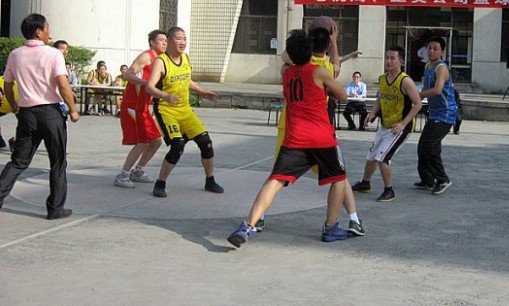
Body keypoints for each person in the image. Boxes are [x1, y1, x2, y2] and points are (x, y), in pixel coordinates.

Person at [227, 29, 350, 248]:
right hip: (321, 137)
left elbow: (287, 59)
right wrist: (326, 90)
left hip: (295, 138)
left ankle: (247, 226)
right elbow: (343, 95)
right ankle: (331, 228)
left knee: (275, 180)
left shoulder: (286, 72)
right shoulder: (320, 72)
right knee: (338, 179)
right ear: (310, 51)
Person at [0, 14, 80, 219]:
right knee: (58, 162)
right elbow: (63, 85)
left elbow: (8, 85)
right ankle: (55, 208)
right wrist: (73, 109)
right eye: (47, 28)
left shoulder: (15, 55)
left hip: (26, 114)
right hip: (50, 113)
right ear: (39, 32)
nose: (49, 31)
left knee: (18, 161)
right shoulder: (53, 54)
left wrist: (15, 106)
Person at [146, 26, 223, 197]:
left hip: (185, 110)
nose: (182, 42)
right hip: (166, 111)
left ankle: (210, 180)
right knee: (177, 145)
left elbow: (186, 80)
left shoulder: (185, 58)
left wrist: (202, 92)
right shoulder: (161, 62)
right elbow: (149, 87)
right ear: (169, 41)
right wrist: (165, 95)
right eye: (178, 38)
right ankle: (160, 183)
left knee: (206, 143)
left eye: (184, 39)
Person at [351, 46, 422, 202]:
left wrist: (403, 123)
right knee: (371, 155)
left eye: (392, 58)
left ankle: (389, 190)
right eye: (387, 57)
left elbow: (418, 104)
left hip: (400, 128)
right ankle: (365, 183)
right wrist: (372, 113)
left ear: (401, 61)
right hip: (385, 124)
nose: (388, 61)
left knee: (382, 157)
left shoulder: (406, 81)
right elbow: (380, 97)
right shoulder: (383, 78)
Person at [114, 30, 167, 189]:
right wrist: (145, 83)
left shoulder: (161, 60)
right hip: (133, 106)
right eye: (161, 40)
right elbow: (127, 75)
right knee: (142, 141)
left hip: (144, 107)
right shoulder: (146, 56)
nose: (165, 43)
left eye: (166, 40)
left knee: (156, 141)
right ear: (152, 42)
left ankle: (138, 171)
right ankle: (122, 175)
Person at [415, 37, 457, 195]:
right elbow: (425, 86)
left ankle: (443, 179)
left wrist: (419, 95)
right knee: (423, 146)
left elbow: (438, 90)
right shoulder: (428, 66)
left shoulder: (441, 68)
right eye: (429, 48)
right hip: (434, 113)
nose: (431, 51)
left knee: (430, 146)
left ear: (442, 52)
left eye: (435, 49)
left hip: (445, 114)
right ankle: (427, 180)